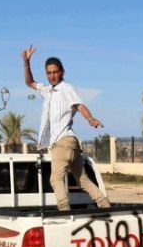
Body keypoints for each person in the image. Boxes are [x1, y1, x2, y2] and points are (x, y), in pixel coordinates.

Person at [21, 44, 111, 211]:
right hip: (70, 143)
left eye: (55, 72)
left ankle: (64, 211)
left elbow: (79, 105)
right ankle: (105, 206)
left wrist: (90, 119)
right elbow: (30, 82)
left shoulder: (66, 88)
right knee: (83, 180)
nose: (52, 76)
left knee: (55, 179)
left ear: (62, 72)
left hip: (63, 142)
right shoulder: (47, 90)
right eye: (49, 73)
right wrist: (26, 62)